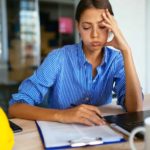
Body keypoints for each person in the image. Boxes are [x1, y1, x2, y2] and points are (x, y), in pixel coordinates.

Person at [9, 0, 143, 126]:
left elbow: (135, 109)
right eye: (86, 27)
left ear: (111, 28)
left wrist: (126, 51)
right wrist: (62, 115)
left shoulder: (116, 60)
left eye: (102, 26)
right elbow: (16, 107)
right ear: (78, 26)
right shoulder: (58, 58)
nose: (95, 35)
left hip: (100, 133)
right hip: (60, 134)